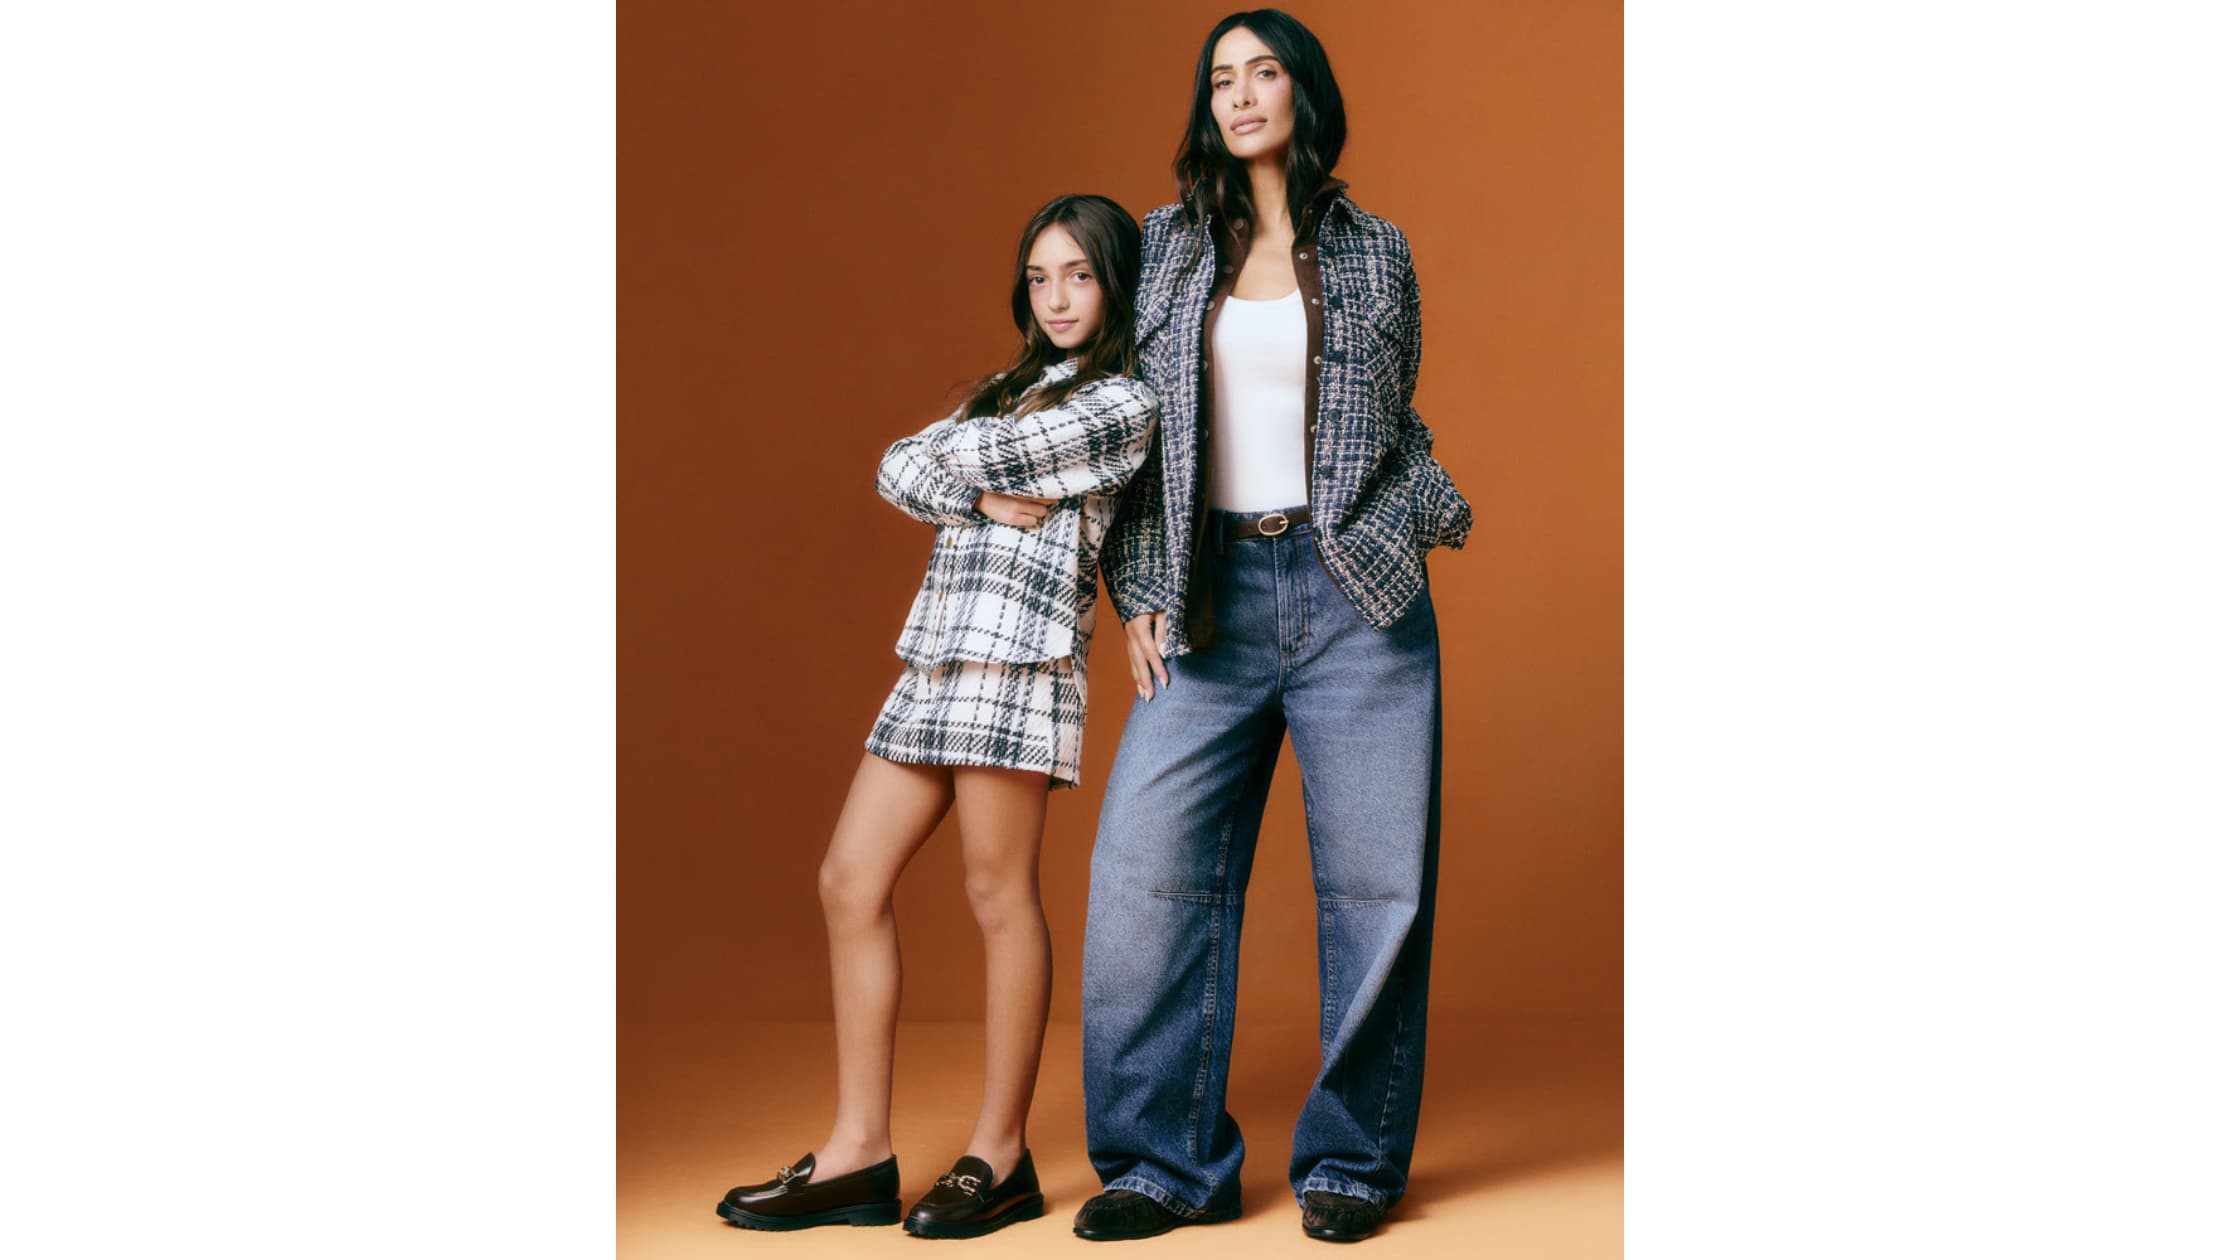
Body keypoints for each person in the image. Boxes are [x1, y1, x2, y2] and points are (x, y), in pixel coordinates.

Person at [1074, 10, 1472, 1246]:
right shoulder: (1161, 247)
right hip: (1209, 598)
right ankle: (1162, 1166)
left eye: (1263, 73)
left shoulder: (1376, 250)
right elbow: (1124, 427)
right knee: (1144, 880)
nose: (1240, 94)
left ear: (1302, 91)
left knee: (1376, 892)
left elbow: (1396, 420)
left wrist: (1410, 513)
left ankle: (1352, 1163)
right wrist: (1137, 583)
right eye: (1220, 79)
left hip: (1356, 599)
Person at [717, 194, 1158, 1239]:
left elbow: (946, 457)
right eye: (1039, 277)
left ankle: (998, 1156)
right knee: (848, 879)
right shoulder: (1008, 390)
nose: (1056, 298)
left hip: (1016, 662)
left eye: (1079, 275)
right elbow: (893, 465)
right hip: (936, 656)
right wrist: (971, 490)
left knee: (996, 893)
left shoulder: (1124, 402)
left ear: (1117, 283)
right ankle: (859, 1153)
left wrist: (956, 465)